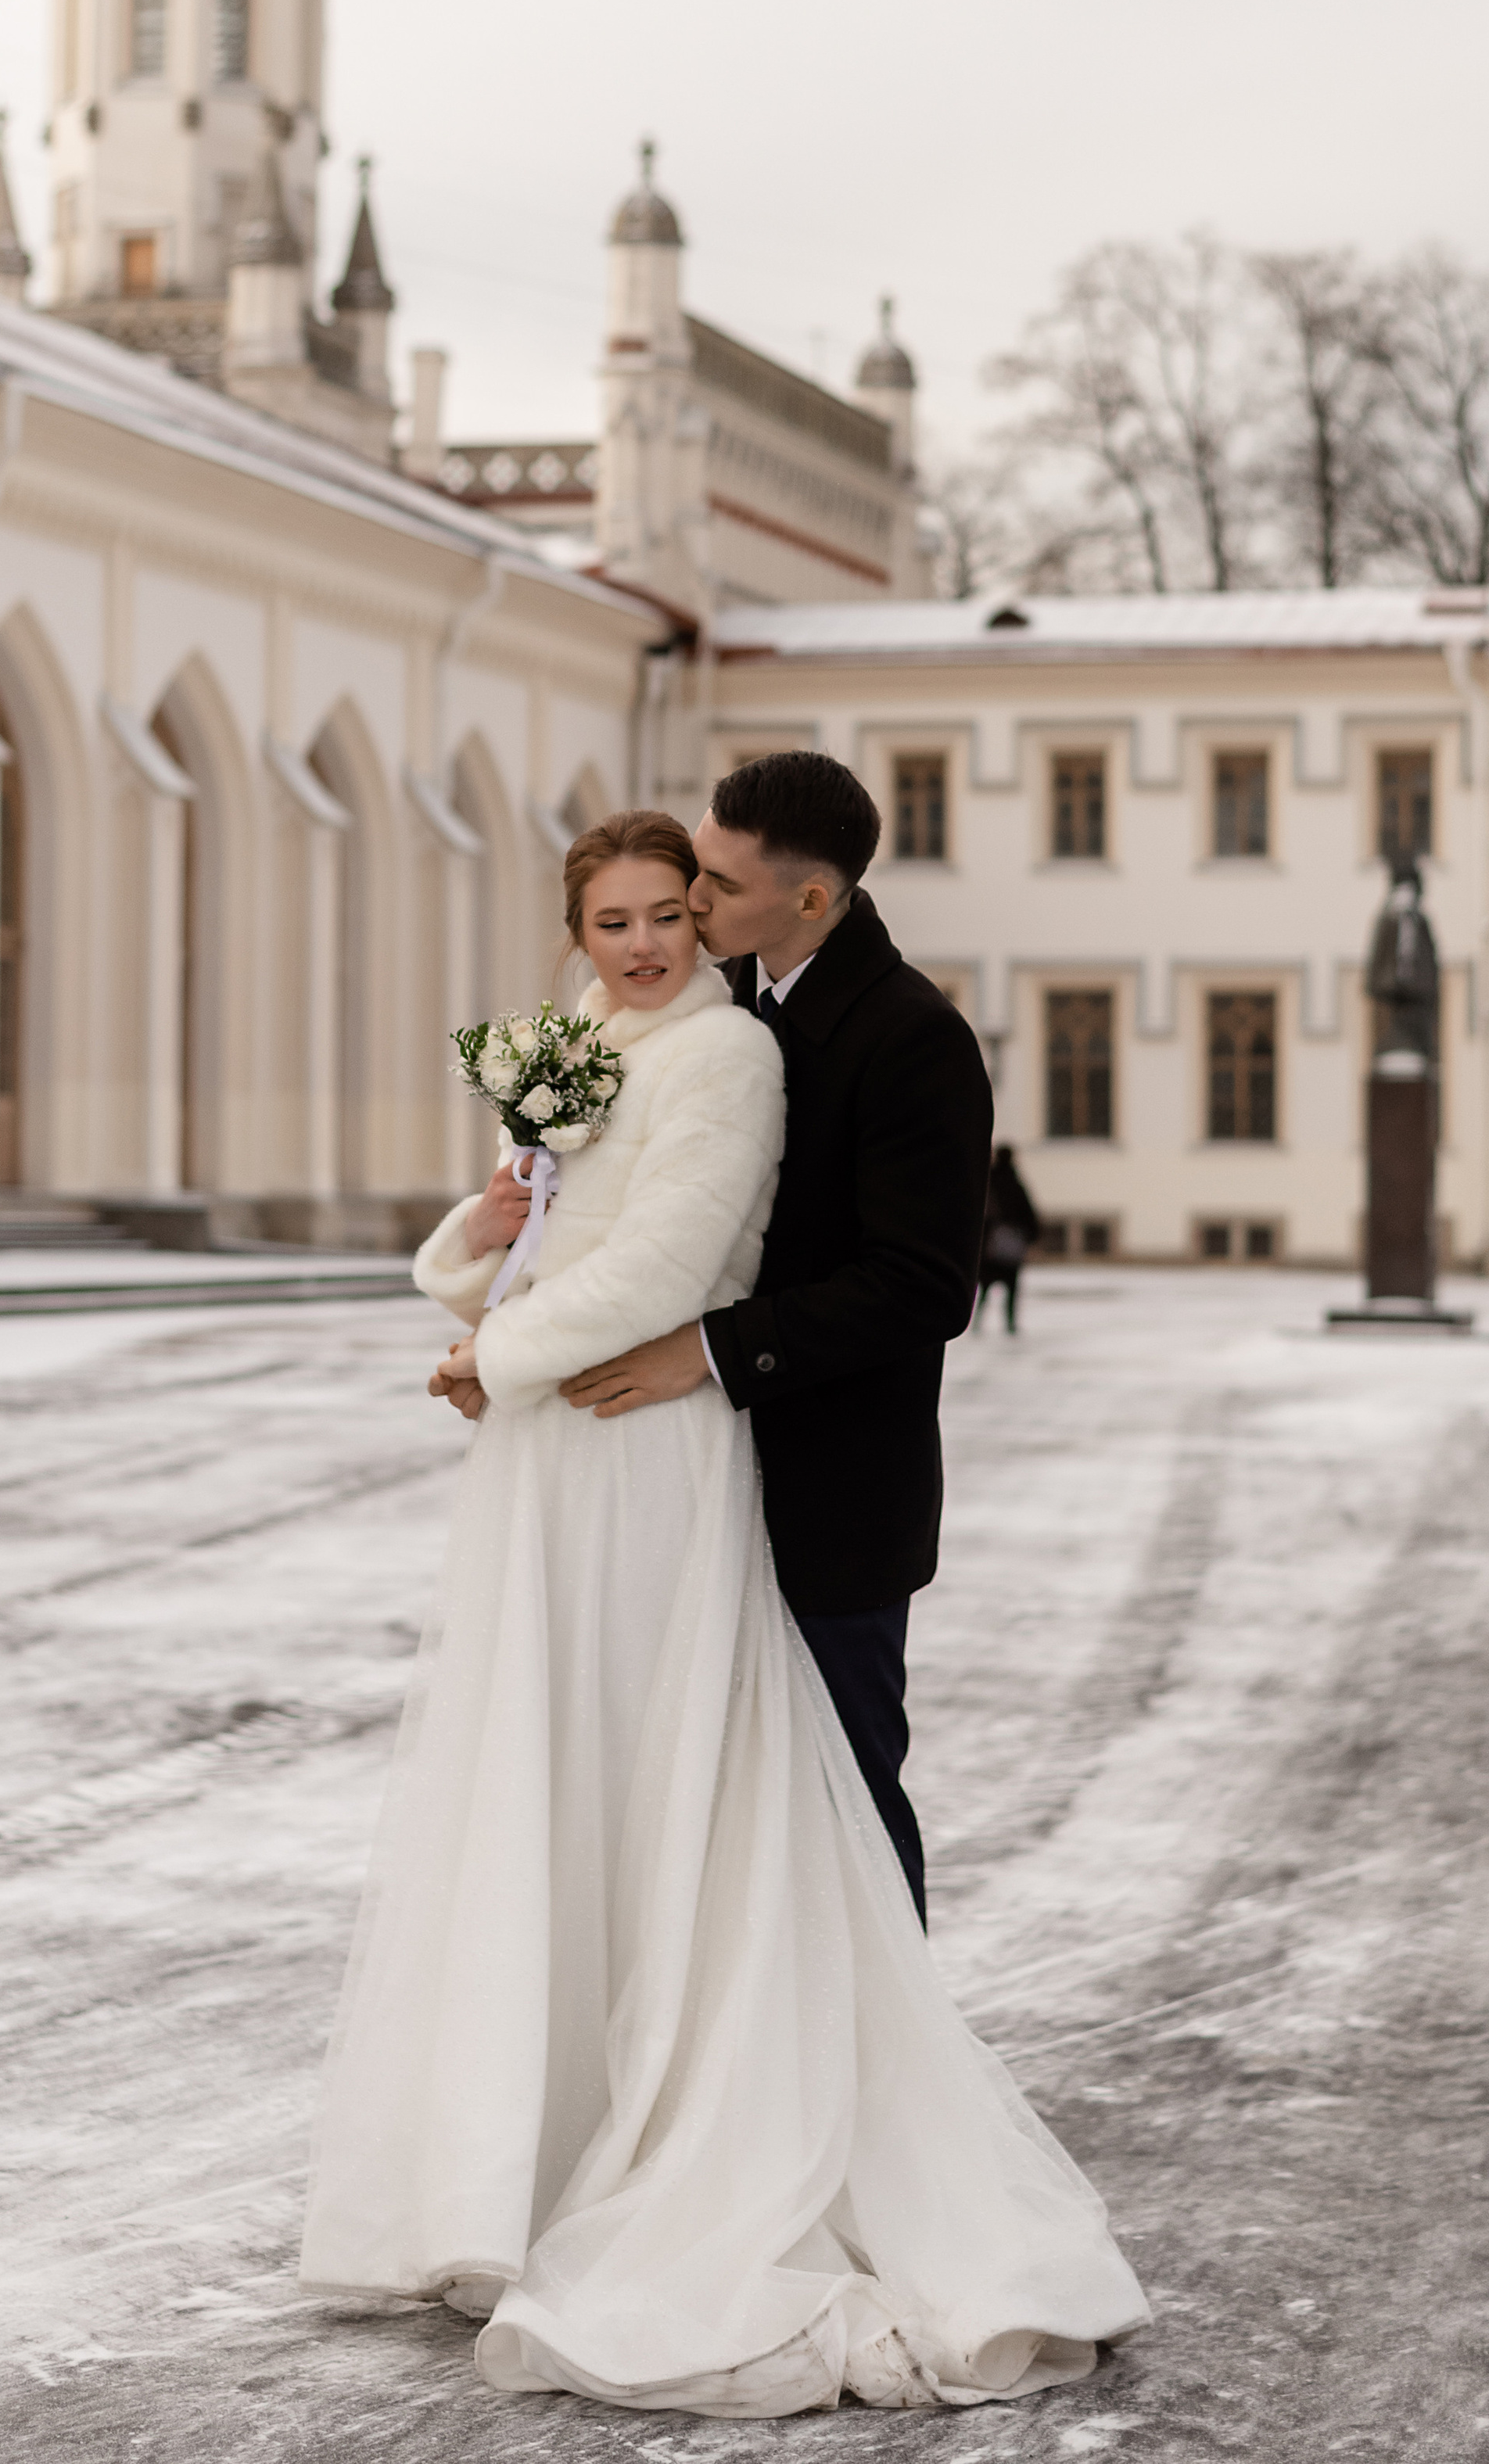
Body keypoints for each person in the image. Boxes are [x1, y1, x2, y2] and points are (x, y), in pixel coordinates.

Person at [300, 808, 1147, 2416]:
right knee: (557, 1785)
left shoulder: (778, 1045)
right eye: (619, 914)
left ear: (772, 898)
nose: (657, 932)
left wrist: (508, 1352)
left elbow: (702, 1261)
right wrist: (473, 1265)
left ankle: (829, 2115)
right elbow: (538, 1238)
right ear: (575, 931)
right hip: (566, 1451)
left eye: (684, 904)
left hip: (683, 1450)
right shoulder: (597, 1043)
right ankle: (550, 2146)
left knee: (768, 1805)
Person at [553, 751, 993, 1928]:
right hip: (700, 1485)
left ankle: (886, 2085)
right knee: (723, 1807)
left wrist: (707, 1348)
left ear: (811, 898)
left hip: (833, 1494)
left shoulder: (913, 1036)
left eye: (714, 882)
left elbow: (921, 1285)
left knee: (843, 1794)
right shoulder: (727, 1005)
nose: (689, 901)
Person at [975, 1144, 1040, 1336]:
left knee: (985, 1287)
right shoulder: (1014, 1182)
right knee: (1010, 1288)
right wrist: (1031, 1235)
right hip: (1010, 1245)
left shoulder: (989, 1181)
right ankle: (1009, 1323)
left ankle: (978, 1321)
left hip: (990, 1245)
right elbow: (1027, 1212)